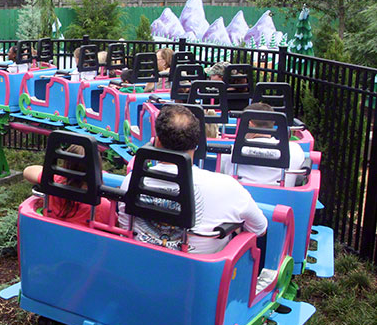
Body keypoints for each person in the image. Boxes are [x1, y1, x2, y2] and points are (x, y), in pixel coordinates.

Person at [118, 105, 267, 254]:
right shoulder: (228, 187)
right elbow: (260, 229)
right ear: (196, 145)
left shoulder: (131, 180)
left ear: (157, 142)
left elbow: (125, 225)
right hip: (200, 274)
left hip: (138, 265)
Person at [220, 102, 306, 187]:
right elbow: (299, 178)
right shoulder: (295, 150)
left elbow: (222, 174)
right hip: (281, 199)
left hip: (240, 198)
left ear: (250, 124)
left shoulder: (229, 152)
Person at [24, 145, 110, 225]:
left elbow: (28, 171)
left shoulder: (54, 182)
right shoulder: (102, 204)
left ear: (66, 164)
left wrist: (54, 174)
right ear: (97, 166)